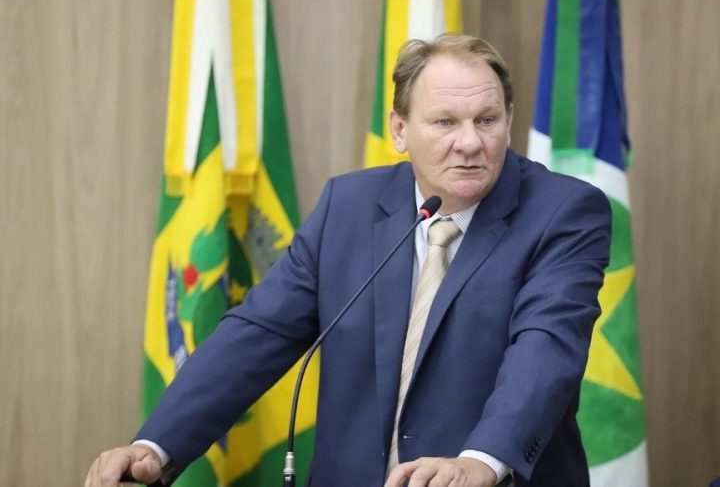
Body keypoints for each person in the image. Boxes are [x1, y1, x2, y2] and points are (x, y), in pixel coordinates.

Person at [85, 34, 611, 487]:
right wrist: (155, 446)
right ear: (399, 130)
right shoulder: (349, 207)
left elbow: (546, 348)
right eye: (446, 122)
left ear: (509, 120)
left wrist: (480, 461)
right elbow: (257, 334)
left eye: (487, 120)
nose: (470, 142)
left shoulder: (564, 213)